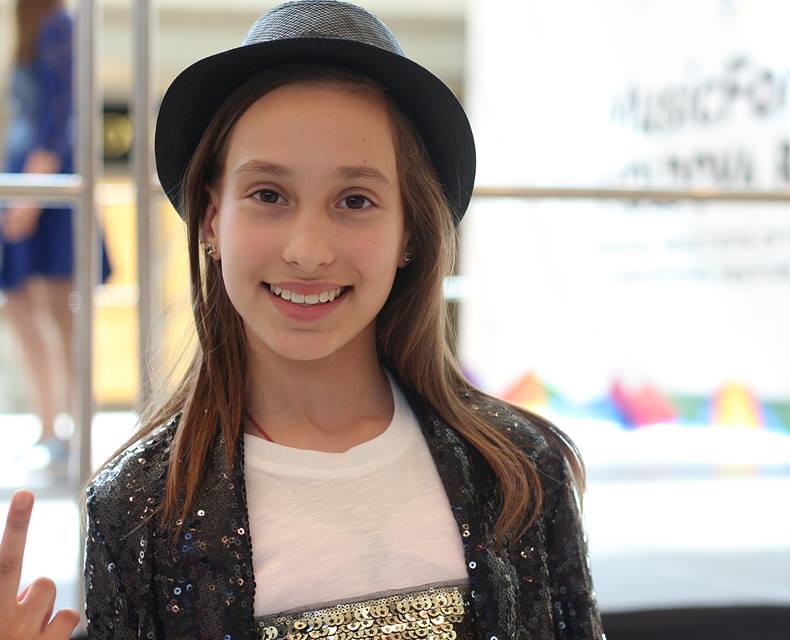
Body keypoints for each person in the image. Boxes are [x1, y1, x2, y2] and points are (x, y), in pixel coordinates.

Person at [3, 1, 604, 638]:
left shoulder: (520, 469)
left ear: (409, 230)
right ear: (212, 219)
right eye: (268, 195)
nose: (308, 251)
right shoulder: (138, 508)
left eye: (355, 200)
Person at [2, 0, 112, 466]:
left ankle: (74, 423)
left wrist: (30, 194)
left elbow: (59, 115)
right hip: (25, 175)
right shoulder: (32, 27)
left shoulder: (60, 26)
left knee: (60, 310)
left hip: (45, 180)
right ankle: (49, 424)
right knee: (20, 306)